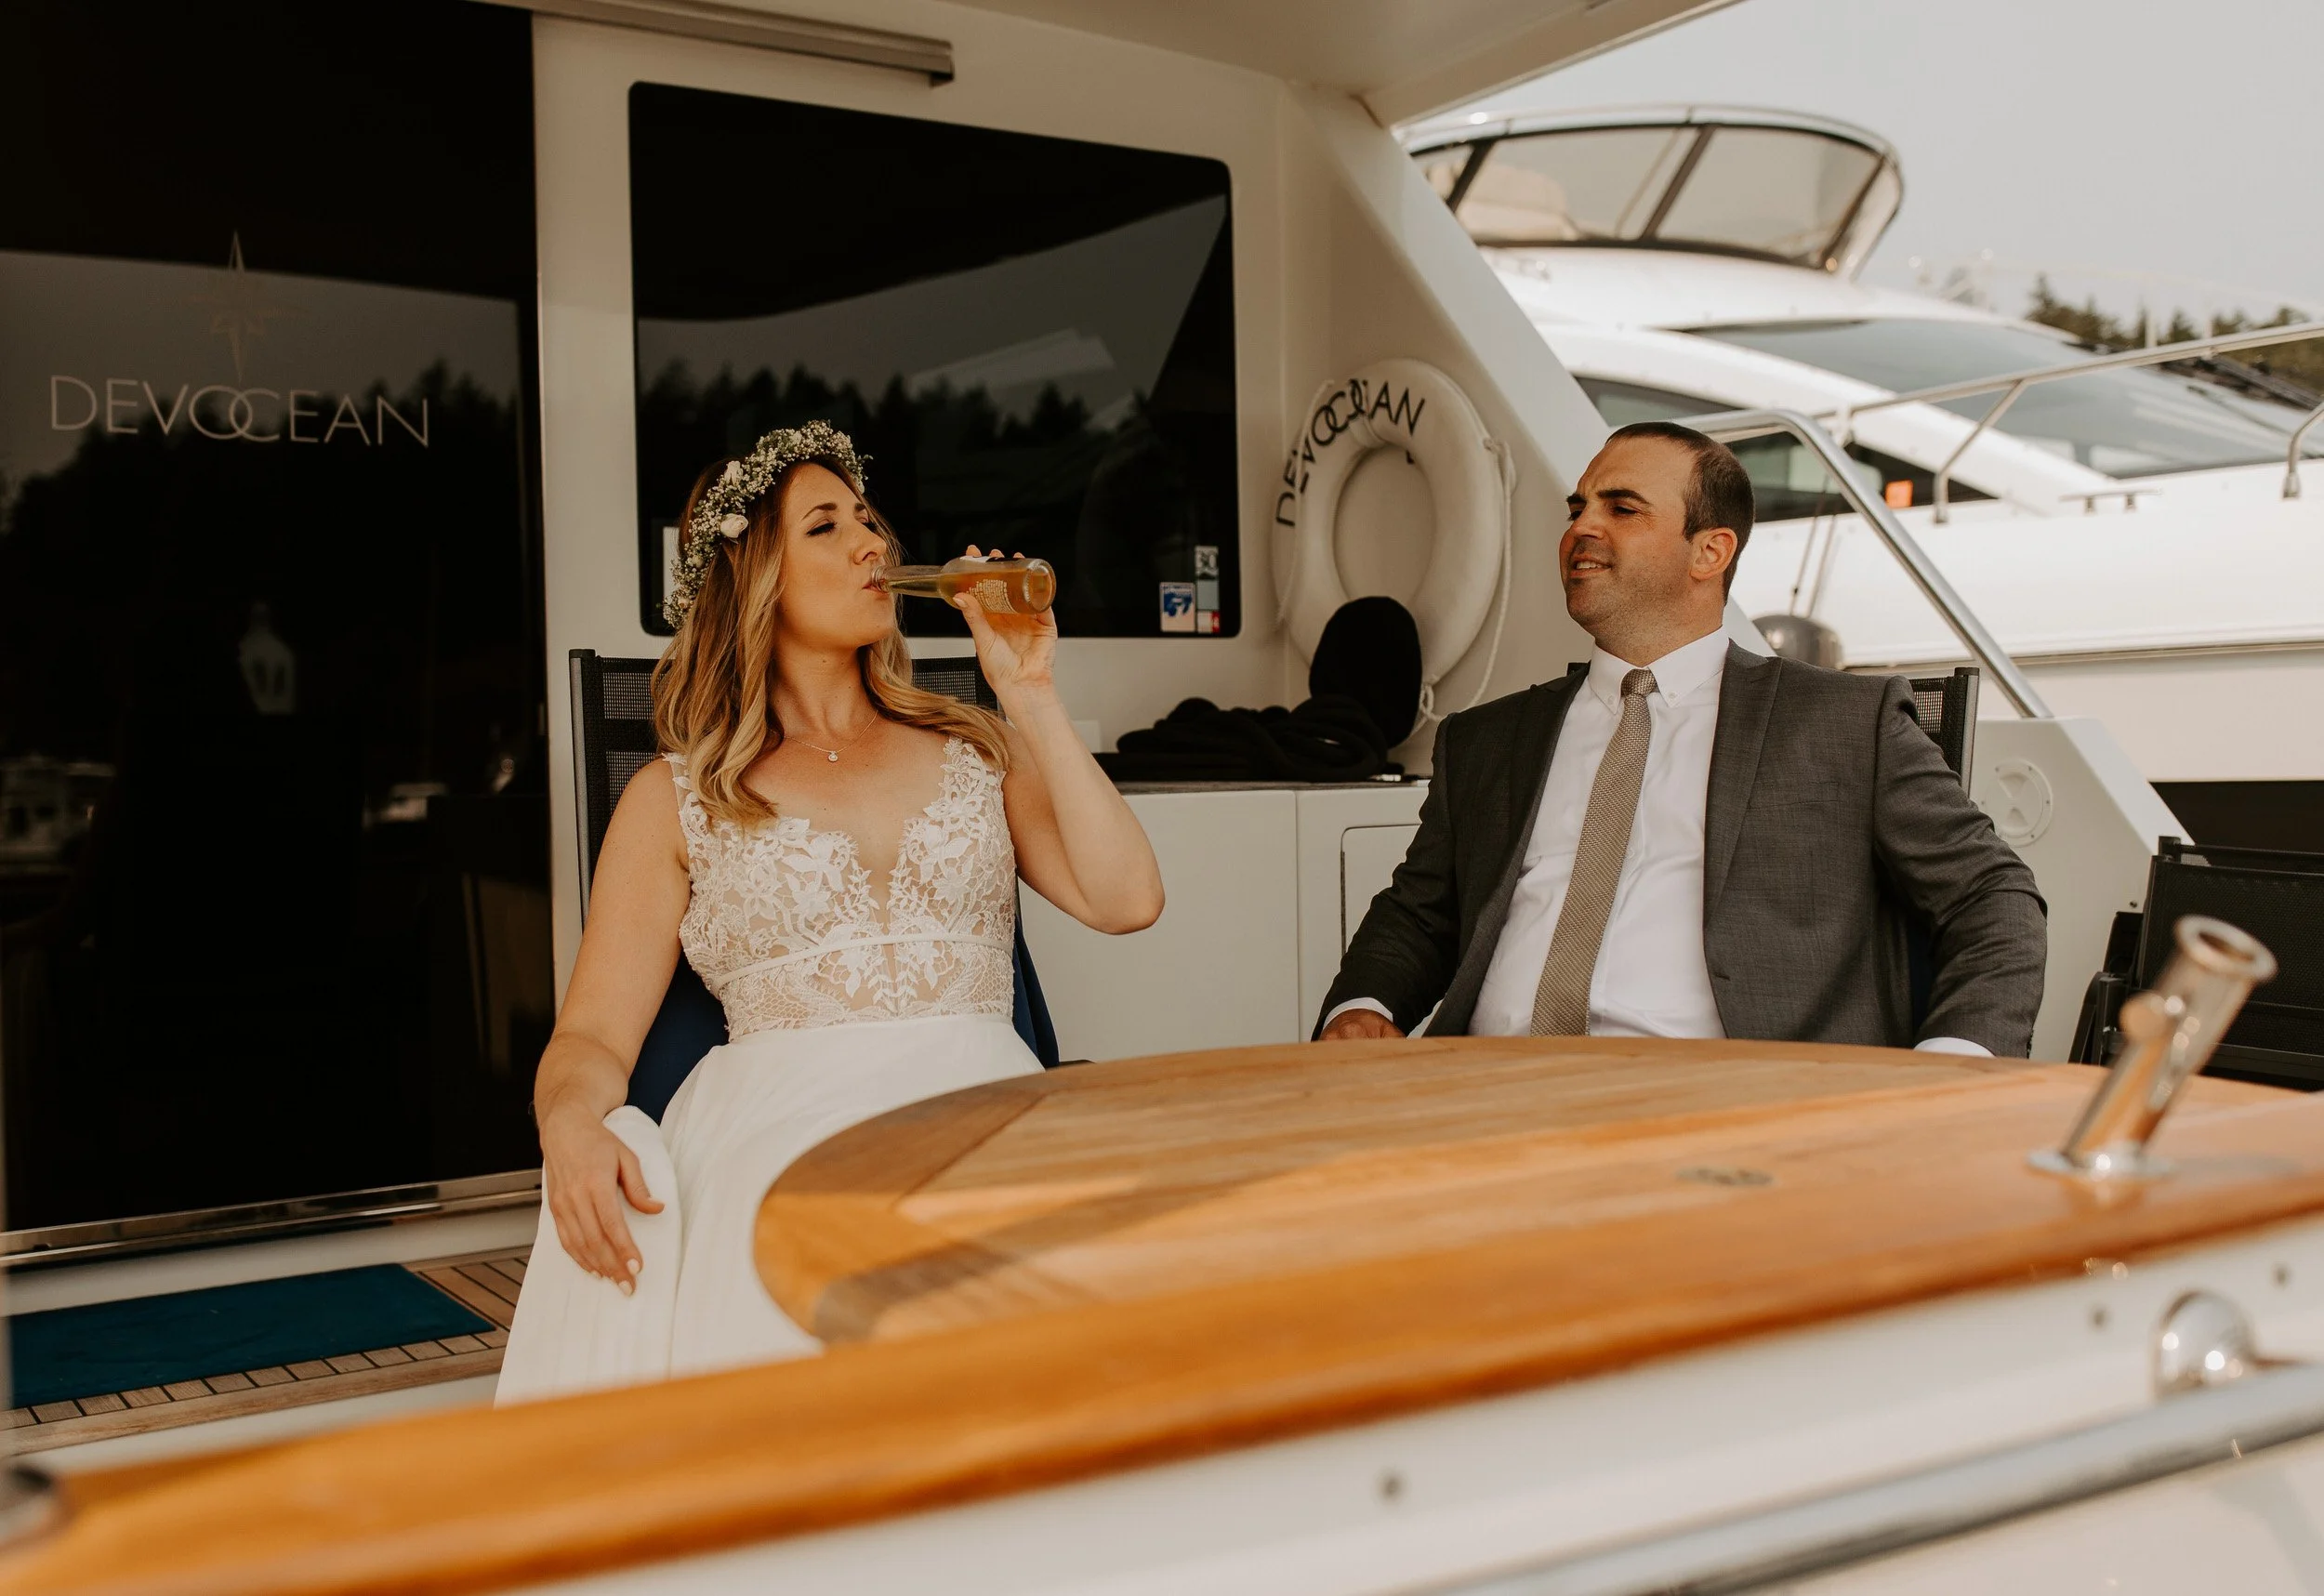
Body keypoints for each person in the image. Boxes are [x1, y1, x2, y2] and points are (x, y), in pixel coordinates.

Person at [498, 423, 1162, 1402]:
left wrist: (1030, 693)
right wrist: (569, 1126)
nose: (871, 546)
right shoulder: (674, 798)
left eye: (868, 521)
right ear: (752, 575)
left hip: (990, 1132)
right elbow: (592, 1035)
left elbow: (1127, 898)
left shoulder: (979, 746)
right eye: (826, 525)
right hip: (779, 1141)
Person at [1317, 421, 2044, 1055]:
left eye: (1622, 508)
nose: (1580, 529)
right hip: (1484, 1092)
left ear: (1711, 551)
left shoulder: (1845, 724)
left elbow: (1992, 897)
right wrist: (1363, 1007)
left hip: (1730, 1110)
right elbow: (1418, 915)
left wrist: (1955, 1059)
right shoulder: (1484, 739)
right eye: (1578, 509)